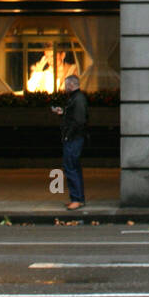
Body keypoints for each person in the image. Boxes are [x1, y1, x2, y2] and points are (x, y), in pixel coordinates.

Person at [51, 75, 89, 209]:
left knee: (70, 167)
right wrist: (63, 113)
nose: (64, 87)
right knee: (74, 167)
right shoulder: (77, 98)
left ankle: (76, 199)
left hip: (73, 138)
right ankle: (78, 198)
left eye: (65, 85)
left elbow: (78, 121)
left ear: (71, 85)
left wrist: (68, 136)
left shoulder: (77, 99)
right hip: (74, 137)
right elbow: (76, 117)